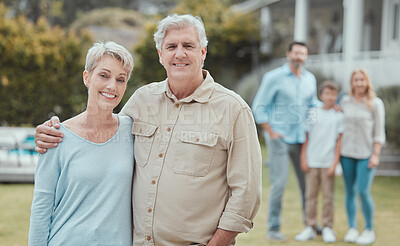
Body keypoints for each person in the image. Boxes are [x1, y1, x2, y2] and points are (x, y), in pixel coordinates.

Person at [34, 14, 262, 246]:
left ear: (203, 52)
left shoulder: (234, 110)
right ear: (161, 55)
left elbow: (246, 194)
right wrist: (52, 130)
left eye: (188, 46)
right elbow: (101, 134)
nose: (179, 53)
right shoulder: (142, 101)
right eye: (171, 46)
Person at [29, 41, 135, 245]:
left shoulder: (132, 131)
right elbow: (41, 210)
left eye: (120, 79)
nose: (112, 86)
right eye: (104, 75)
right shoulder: (56, 136)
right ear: (87, 77)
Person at [251, 41, 320, 241]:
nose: (299, 56)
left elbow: (313, 106)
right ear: (288, 54)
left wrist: (327, 112)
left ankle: (310, 224)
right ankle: (273, 228)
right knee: (279, 185)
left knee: (307, 185)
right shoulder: (273, 78)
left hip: (302, 140)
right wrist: (271, 132)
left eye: (303, 54)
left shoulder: (310, 79)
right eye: (296, 52)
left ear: (306, 57)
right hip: (279, 139)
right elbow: (259, 107)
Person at [340, 69, 385, 245]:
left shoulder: (375, 103)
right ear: (352, 82)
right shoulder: (345, 101)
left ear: (367, 82)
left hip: (366, 155)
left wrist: (376, 154)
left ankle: (368, 229)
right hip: (347, 154)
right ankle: (352, 228)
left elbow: (379, 133)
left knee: (363, 191)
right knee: (349, 191)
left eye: (362, 80)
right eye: (355, 80)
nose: (359, 83)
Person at [294, 80, 343, 243]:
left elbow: (339, 141)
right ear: (321, 95)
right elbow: (307, 138)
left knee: (328, 197)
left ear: (336, 96)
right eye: (327, 93)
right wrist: (303, 157)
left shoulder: (339, 115)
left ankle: (328, 227)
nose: (330, 97)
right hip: (312, 162)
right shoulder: (313, 113)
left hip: (328, 162)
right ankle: (310, 227)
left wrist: (335, 162)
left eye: (333, 94)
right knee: (310, 196)